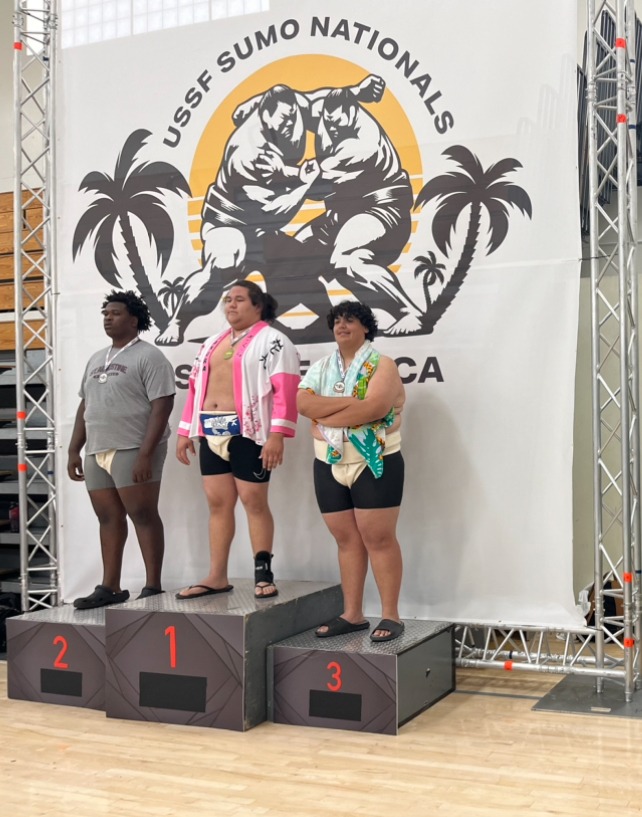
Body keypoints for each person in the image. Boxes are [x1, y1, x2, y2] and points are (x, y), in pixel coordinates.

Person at [155, 76, 385, 346]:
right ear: (264, 123)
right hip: (231, 219)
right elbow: (275, 212)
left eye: (290, 124)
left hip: (265, 224)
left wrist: (356, 91)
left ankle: (325, 323)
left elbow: (320, 97)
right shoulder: (247, 154)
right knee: (222, 263)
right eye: (278, 129)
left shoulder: (298, 107)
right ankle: (177, 321)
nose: (288, 132)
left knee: (296, 265)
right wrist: (305, 182)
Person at [175, 280, 300, 599]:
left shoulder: (275, 342)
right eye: (227, 299)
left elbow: (285, 392)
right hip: (210, 430)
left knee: (253, 501)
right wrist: (185, 431)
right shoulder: (211, 343)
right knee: (217, 503)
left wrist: (277, 435)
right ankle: (216, 575)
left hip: (251, 432)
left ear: (258, 306)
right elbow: (195, 390)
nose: (230, 305)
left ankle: (263, 572)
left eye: (239, 299)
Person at [297, 300, 405, 641]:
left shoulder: (382, 365)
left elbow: (375, 407)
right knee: (346, 539)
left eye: (351, 320)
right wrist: (352, 409)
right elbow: (302, 404)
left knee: (379, 538)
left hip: (375, 460)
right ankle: (353, 613)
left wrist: (324, 416)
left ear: (365, 328)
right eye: (337, 321)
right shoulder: (320, 367)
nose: (342, 326)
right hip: (328, 461)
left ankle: (391, 615)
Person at [67, 290, 176, 609]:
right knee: (108, 517)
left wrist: (145, 452)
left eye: (114, 313)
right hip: (97, 449)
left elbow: (163, 404)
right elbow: (85, 405)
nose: (108, 318)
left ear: (133, 320)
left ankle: (153, 585)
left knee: (142, 514)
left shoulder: (149, 356)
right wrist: (75, 448)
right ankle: (110, 586)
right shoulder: (96, 357)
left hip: (133, 447)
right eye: (105, 313)